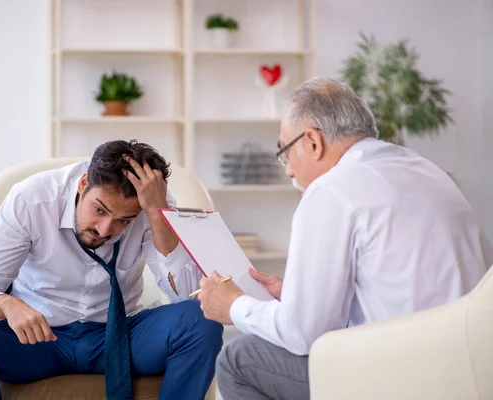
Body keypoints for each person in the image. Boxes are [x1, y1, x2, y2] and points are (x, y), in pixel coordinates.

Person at [198, 78, 493, 400]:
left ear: (312, 141)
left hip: (411, 375)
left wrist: (234, 305)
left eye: (285, 153)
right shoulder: (422, 169)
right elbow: (398, 288)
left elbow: (303, 334)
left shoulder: (332, 190)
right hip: (473, 366)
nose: (289, 172)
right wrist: (295, 295)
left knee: (240, 359)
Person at [0, 140, 223, 400]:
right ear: (83, 184)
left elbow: (190, 295)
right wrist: (6, 304)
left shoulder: (153, 207)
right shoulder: (32, 199)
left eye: (124, 221)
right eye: (99, 209)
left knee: (202, 321)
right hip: (37, 339)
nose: (105, 229)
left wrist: (159, 214)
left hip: (120, 336)